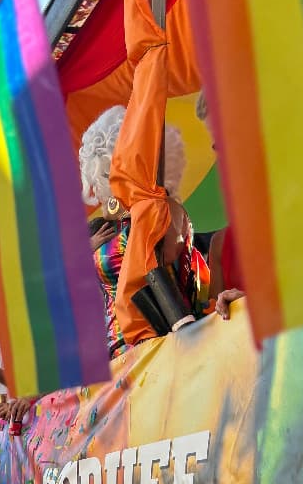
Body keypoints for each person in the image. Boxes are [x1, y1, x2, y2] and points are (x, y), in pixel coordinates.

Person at [78, 104, 209, 359]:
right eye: (104, 174)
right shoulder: (106, 225)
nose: (107, 183)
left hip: (163, 345)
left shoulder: (164, 209)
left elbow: (165, 257)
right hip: (116, 355)